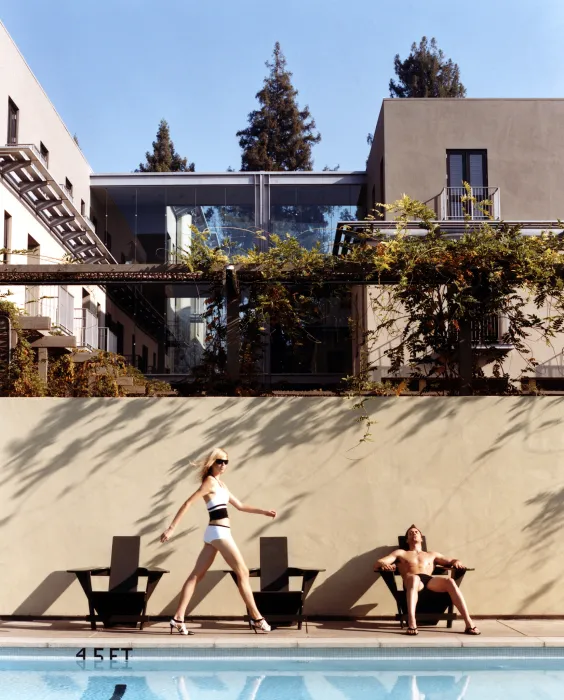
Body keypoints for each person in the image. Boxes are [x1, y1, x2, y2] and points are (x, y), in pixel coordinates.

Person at [160, 447, 276, 635]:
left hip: (217, 533)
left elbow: (240, 506)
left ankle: (177, 618)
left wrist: (263, 511)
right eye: (219, 461)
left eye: (226, 462)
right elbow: (188, 503)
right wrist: (172, 528)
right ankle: (257, 618)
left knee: (196, 576)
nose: (223, 465)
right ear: (212, 463)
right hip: (218, 533)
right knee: (243, 572)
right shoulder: (209, 482)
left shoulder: (222, 485)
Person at [375, 524, 480, 636]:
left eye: (416, 532)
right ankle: (412, 621)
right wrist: (384, 565)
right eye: (410, 533)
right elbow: (379, 562)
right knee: (414, 579)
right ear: (407, 540)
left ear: (421, 538)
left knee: (450, 582)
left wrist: (457, 562)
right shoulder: (401, 553)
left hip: (429, 581)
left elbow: (451, 560)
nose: (413, 533)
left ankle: (469, 623)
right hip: (411, 580)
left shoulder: (432, 554)